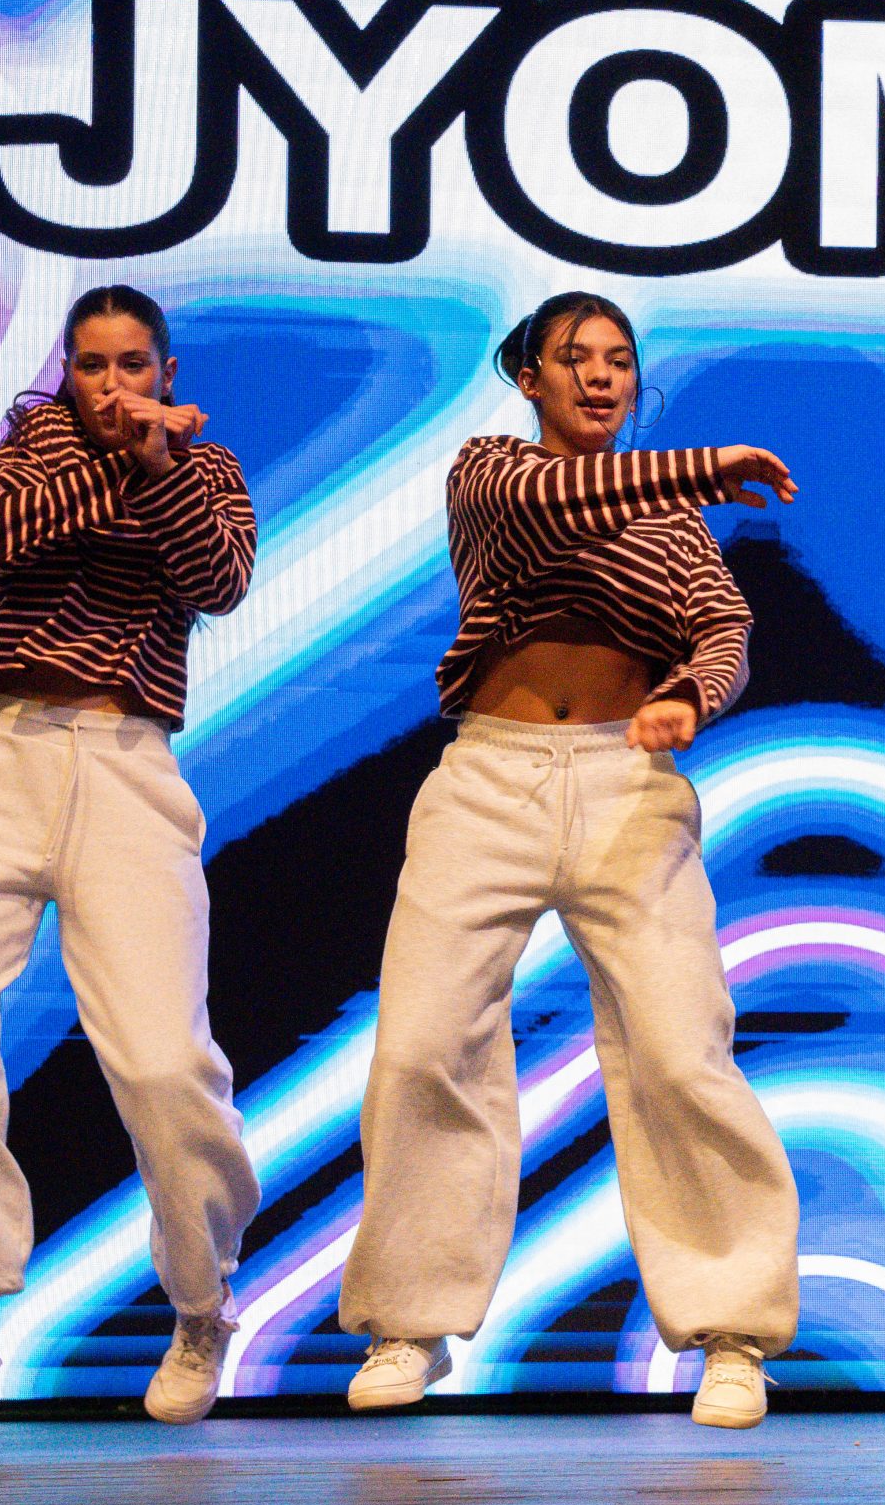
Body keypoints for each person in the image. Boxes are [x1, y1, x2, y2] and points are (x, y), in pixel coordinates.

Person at [336, 291, 801, 1428]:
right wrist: (711, 464)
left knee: (680, 1052)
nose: (600, 376)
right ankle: (410, 1319)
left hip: (625, 785)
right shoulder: (491, 472)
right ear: (530, 377)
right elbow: (553, 501)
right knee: (424, 1044)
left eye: (619, 360)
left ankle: (733, 1331)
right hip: (489, 782)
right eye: (575, 357)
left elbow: (724, 628)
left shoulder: (671, 520)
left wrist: (693, 692)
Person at [0, 285, 261, 1424]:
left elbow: (218, 580)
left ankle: (202, 1305)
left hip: (130, 765)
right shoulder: (35, 438)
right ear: (67, 372)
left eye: (133, 365)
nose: (111, 386)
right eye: (91, 365)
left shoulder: (208, 469)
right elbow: (6, 538)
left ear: (167, 373)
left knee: (163, 1062)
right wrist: (125, 463)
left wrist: (159, 467)